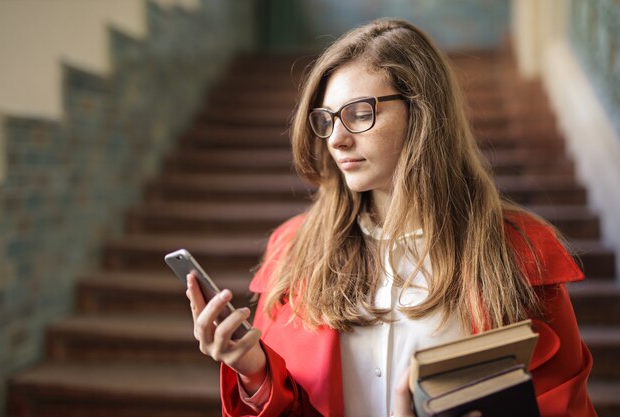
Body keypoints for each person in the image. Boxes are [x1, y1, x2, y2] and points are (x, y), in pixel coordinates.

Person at [186, 18, 597, 417]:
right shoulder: (293, 251)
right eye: (327, 120)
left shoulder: (518, 251)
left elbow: (563, 407)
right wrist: (253, 371)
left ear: (422, 112)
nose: (337, 139)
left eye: (360, 114)